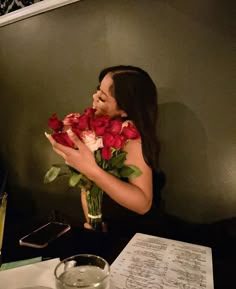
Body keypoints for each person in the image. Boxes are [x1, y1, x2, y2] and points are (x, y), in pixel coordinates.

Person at [45, 65, 160, 233]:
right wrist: (93, 221)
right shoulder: (101, 129)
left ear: (124, 110)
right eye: (97, 91)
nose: (94, 97)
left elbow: (143, 204)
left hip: (136, 234)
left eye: (103, 98)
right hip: (106, 227)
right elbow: (87, 187)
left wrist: (90, 169)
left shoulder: (131, 138)